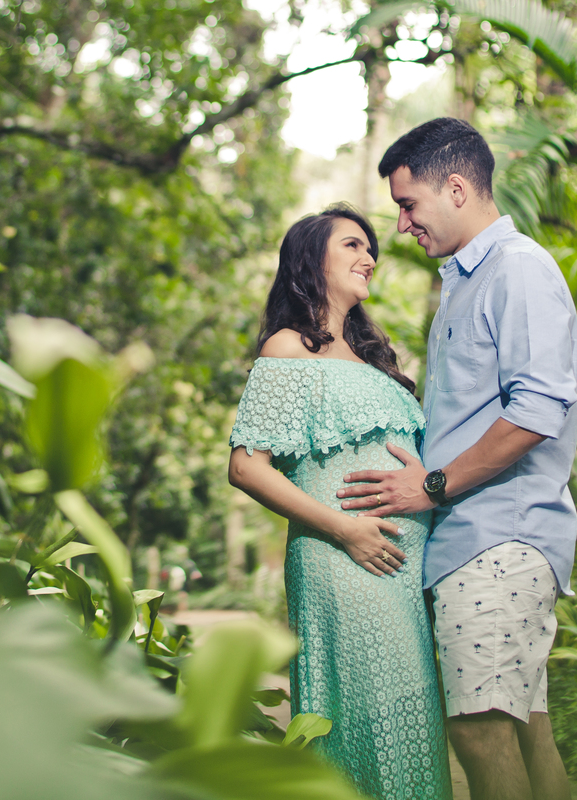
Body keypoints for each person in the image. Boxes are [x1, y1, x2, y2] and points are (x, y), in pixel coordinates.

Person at [337, 118, 577, 800]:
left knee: (477, 731)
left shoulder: (518, 269)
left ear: (456, 186)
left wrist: (431, 486)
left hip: (501, 535)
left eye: (409, 205)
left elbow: (536, 410)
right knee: (528, 736)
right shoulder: (463, 283)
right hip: (480, 540)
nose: (404, 225)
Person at [228, 204, 452, 800]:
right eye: (352, 245)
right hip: (342, 560)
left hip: (400, 575)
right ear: (311, 260)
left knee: (407, 723)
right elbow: (247, 467)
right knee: (367, 722)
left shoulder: (373, 358)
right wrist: (345, 530)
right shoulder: (287, 347)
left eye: (370, 247)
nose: (369, 257)